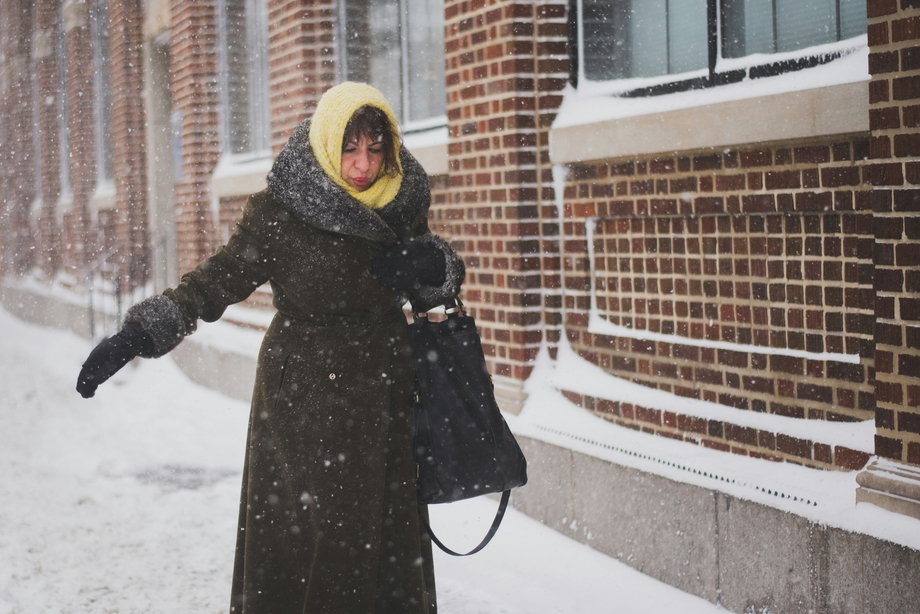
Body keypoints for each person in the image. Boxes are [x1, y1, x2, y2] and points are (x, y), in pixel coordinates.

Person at [75, 82, 464, 614]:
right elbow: (218, 279)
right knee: (321, 539)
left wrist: (432, 265)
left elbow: (434, 285)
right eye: (350, 148)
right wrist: (139, 335)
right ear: (329, 142)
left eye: (375, 149)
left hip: (385, 386)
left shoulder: (400, 198)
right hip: (305, 393)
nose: (362, 165)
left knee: (385, 541)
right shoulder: (285, 206)